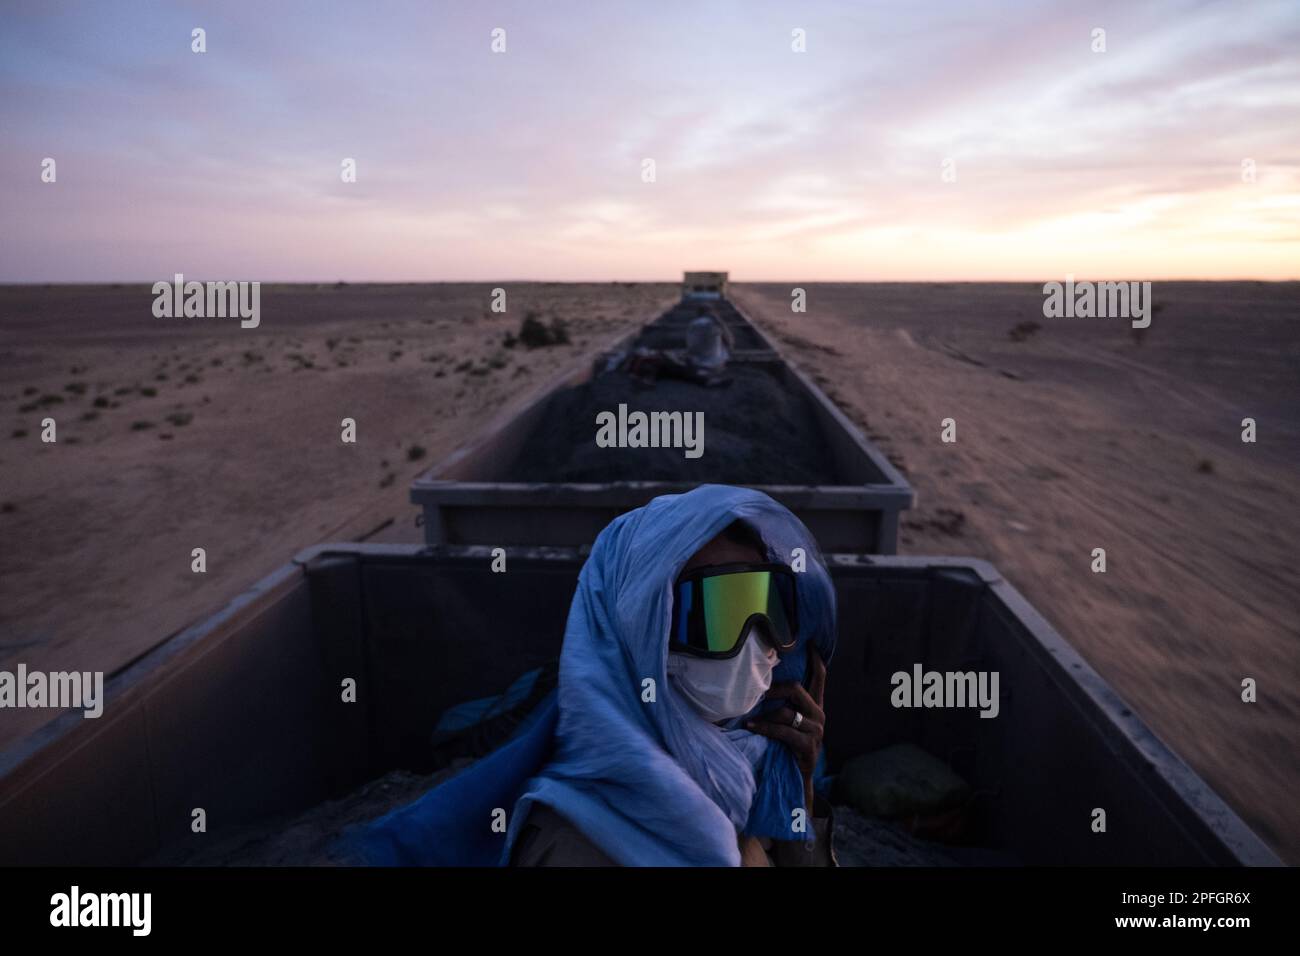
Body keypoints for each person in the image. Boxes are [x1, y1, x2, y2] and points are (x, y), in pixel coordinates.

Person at [343, 484, 837, 867]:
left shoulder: (750, 767)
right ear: (639, 629)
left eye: (768, 608)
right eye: (716, 612)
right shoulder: (581, 839)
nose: (757, 640)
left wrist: (802, 797)